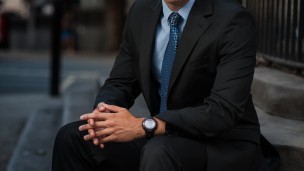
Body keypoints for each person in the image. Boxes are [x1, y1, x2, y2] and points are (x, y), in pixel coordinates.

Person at [52, 0, 280, 170]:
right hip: (164, 137)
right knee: (73, 137)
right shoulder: (141, 12)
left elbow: (222, 111)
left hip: (221, 145)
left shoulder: (233, 20)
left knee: (158, 151)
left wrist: (145, 126)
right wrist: (104, 115)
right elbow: (121, 82)